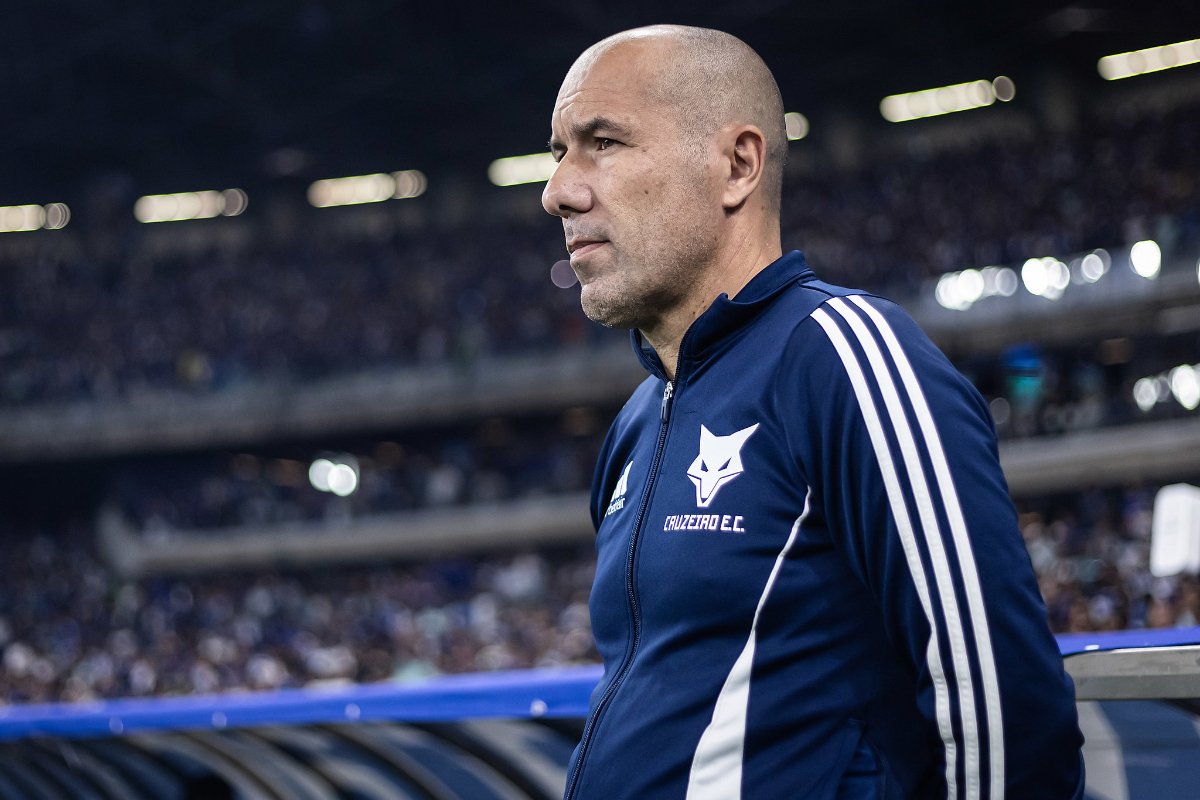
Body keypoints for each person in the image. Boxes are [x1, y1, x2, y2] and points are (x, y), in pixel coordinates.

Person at [541, 24, 1084, 800]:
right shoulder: (638, 419)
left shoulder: (845, 358)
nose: (558, 189)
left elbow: (999, 700)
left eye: (603, 141)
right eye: (558, 151)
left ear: (737, 165)